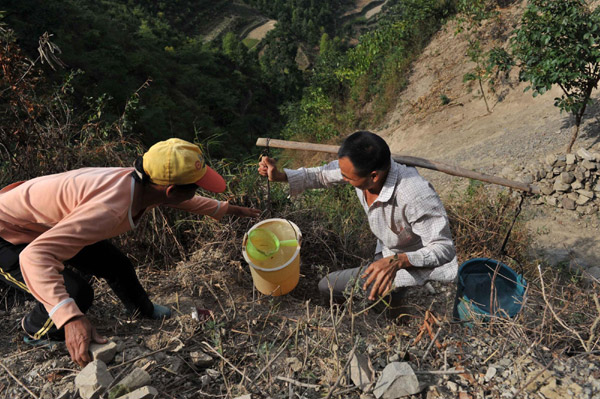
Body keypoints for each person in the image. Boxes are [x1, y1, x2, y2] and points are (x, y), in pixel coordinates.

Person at [0, 138, 260, 367]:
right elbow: (33, 257)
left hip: (43, 224)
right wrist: (70, 318)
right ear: (169, 191)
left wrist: (223, 209)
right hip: (6, 234)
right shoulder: (110, 209)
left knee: (118, 265)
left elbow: (180, 198)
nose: (197, 191)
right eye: (196, 186)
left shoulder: (141, 181)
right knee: (78, 294)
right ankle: (34, 330)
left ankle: (143, 311)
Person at [258, 131, 457, 313]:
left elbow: (444, 248)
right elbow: (321, 175)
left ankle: (392, 312)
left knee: (327, 286)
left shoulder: (415, 194)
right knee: (385, 293)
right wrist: (282, 176)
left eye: (347, 177)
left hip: (415, 261)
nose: (342, 178)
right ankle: (392, 305)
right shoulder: (359, 169)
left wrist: (398, 261)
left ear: (374, 176)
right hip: (388, 246)